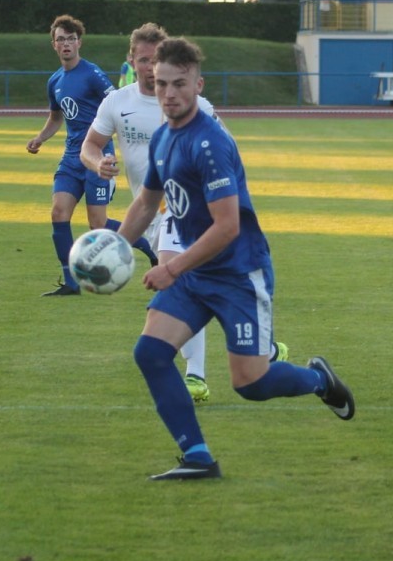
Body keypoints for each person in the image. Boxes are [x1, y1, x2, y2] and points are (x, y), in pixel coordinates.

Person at [112, 37, 355, 481]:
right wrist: (112, 246)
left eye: (179, 84)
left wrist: (170, 267)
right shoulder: (165, 137)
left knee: (251, 384)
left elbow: (227, 227)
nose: (168, 93)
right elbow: (147, 203)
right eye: (161, 83)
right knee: (150, 353)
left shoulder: (209, 143)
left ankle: (319, 380)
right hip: (194, 274)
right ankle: (198, 456)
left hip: (239, 274)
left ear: (198, 85)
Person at [81, 23, 288, 404]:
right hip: (150, 207)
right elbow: (92, 148)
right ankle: (262, 351)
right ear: (132, 61)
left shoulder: (198, 112)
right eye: (143, 61)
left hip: (188, 215)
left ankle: (195, 374)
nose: (149, 69)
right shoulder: (117, 103)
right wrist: (98, 168)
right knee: (178, 306)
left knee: (176, 278)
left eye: (155, 60)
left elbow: (224, 156)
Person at [25, 15, 156, 297]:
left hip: (97, 156)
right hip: (71, 158)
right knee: (59, 213)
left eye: (71, 39)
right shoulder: (55, 81)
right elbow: (55, 117)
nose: (66, 44)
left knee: (97, 223)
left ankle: (147, 244)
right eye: (61, 39)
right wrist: (40, 137)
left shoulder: (93, 74)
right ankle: (70, 281)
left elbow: (118, 105)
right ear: (54, 46)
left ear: (79, 43)